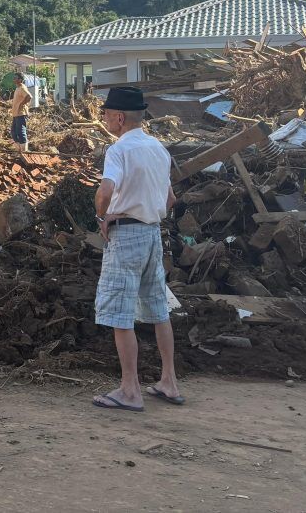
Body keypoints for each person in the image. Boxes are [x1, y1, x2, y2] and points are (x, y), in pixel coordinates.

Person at [91, 86, 182, 412]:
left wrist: (103, 216)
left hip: (126, 236)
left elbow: (105, 191)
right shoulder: (159, 149)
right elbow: (170, 200)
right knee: (159, 309)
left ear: (118, 117)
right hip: (152, 235)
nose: (103, 118)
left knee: (119, 313)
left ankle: (130, 389)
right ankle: (168, 381)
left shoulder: (119, 150)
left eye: (105, 113)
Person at [9, 72, 31, 152]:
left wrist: (21, 104)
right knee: (14, 132)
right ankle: (19, 150)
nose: (14, 79)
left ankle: (24, 151)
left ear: (20, 80)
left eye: (15, 78)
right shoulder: (17, 88)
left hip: (21, 113)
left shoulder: (22, 88)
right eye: (14, 78)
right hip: (16, 113)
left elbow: (29, 96)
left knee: (21, 132)